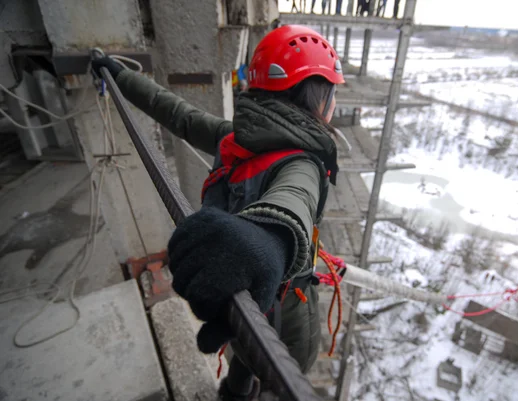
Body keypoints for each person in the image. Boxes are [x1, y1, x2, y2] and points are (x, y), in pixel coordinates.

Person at [92, 24, 344, 400]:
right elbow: (292, 201)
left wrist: (119, 75)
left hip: (243, 291)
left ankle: (234, 393)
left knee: (244, 352)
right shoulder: (297, 162)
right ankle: (237, 392)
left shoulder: (239, 139)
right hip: (285, 316)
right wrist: (270, 239)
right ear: (320, 100)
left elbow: (178, 114)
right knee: (275, 374)